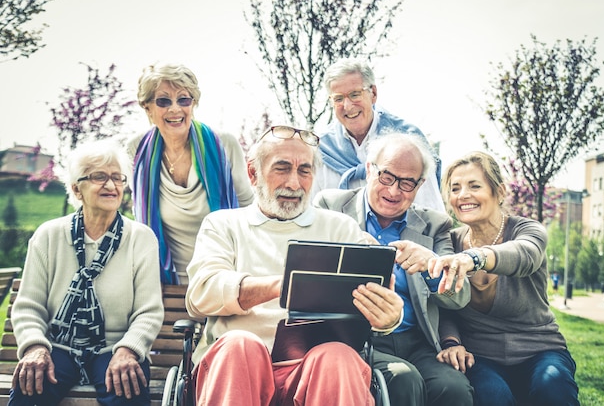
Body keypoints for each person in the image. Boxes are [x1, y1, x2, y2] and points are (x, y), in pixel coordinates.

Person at [185, 125, 404, 405]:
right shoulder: (223, 224)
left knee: (336, 356)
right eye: (282, 168)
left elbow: (380, 290)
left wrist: (388, 316)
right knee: (240, 344)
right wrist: (285, 284)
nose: (294, 183)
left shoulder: (339, 228)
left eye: (304, 170)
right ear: (253, 174)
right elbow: (201, 294)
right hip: (236, 368)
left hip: (315, 371)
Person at [313, 132, 473, 406]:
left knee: (454, 388)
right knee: (402, 378)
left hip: (416, 340)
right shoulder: (331, 207)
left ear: (420, 184)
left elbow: (460, 297)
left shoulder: (436, 225)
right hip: (354, 338)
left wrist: (430, 264)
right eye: (386, 177)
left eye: (407, 182)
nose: (394, 191)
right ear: (368, 169)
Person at [9, 141, 164, 406]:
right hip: (58, 347)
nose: (111, 185)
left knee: (127, 391)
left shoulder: (141, 238)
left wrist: (128, 350)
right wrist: (35, 347)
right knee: (30, 389)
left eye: (117, 177)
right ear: (76, 189)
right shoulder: (49, 235)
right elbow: (28, 307)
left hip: (115, 347)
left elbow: (148, 311)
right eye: (98, 177)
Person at [428, 151, 579, 406]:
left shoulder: (527, 230)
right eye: (455, 188)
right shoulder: (449, 242)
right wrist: (452, 342)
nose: (463, 195)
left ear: (499, 192)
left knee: (552, 386)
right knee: (492, 396)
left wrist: (475, 258)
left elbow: (524, 255)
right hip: (480, 356)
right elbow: (445, 303)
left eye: (474, 186)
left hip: (540, 350)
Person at [128, 62, 254, 284]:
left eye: (183, 99)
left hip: (224, 279)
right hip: (165, 283)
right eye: (164, 101)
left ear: (193, 103)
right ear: (147, 107)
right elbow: (138, 217)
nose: (175, 109)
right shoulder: (136, 149)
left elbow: (248, 209)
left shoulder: (224, 143)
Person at [313, 57, 445, 212]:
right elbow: (311, 212)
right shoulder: (321, 148)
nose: (347, 106)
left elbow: (430, 210)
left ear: (373, 93)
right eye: (338, 98)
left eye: (355, 94)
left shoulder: (410, 142)